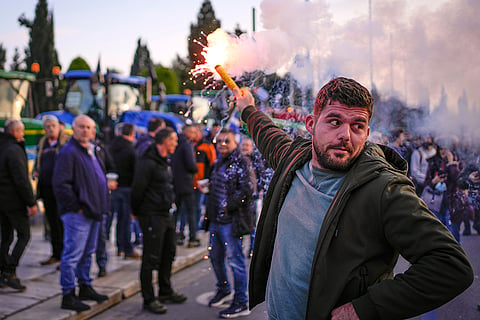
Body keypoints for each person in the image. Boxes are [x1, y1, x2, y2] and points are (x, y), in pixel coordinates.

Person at [233, 77, 473, 320]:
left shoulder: (384, 190)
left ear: (367, 132)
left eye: (357, 125)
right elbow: (267, 134)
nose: (345, 135)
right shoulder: (293, 159)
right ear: (311, 124)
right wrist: (247, 108)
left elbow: (451, 265)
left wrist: (364, 309)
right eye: (334, 122)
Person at [52, 115, 109, 312]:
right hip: (79, 213)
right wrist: (77, 206)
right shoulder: (69, 152)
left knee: (87, 253)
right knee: (72, 254)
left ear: (94, 131)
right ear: (74, 129)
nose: (85, 131)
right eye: (82, 127)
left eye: (89, 128)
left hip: (94, 211)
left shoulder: (91, 150)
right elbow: (60, 184)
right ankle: (68, 294)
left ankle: (85, 286)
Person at [131, 127, 187, 315]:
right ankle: (149, 299)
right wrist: (136, 212)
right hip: (152, 215)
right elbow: (137, 189)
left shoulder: (165, 161)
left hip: (167, 214)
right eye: (173, 140)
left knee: (168, 253)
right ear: (164, 141)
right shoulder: (147, 162)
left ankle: (165, 291)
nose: (176, 143)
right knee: (151, 258)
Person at [204, 128, 256, 318]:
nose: (222, 145)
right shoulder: (218, 162)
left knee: (236, 261)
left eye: (227, 141)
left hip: (232, 222)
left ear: (235, 143)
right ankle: (224, 289)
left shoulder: (242, 162)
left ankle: (241, 301)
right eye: (219, 142)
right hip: (216, 221)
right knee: (215, 258)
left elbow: (248, 190)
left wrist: (228, 205)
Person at [0, 119, 37, 291]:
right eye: (21, 132)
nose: (23, 135)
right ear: (15, 132)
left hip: (2, 201)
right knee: (24, 235)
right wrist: (31, 202)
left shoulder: (3, 146)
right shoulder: (14, 149)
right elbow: (21, 179)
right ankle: (9, 272)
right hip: (13, 201)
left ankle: (3, 272)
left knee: (5, 238)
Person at [33, 115, 70, 266]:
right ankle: (56, 254)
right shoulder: (43, 143)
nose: (50, 129)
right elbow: (38, 162)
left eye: (52, 126)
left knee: (63, 224)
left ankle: (66, 257)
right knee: (52, 224)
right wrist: (36, 171)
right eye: (47, 126)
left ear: (58, 126)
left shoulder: (65, 142)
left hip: (61, 189)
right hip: (47, 189)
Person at [106, 123, 140, 260]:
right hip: (127, 187)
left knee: (108, 219)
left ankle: (103, 248)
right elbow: (135, 170)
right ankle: (125, 248)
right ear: (132, 133)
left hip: (111, 186)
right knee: (124, 220)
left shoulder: (110, 146)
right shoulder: (131, 149)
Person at [172, 125, 199, 247]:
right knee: (191, 211)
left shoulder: (175, 142)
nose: (194, 135)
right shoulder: (187, 145)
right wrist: (195, 169)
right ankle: (192, 238)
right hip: (186, 183)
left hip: (175, 182)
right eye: (192, 132)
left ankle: (173, 236)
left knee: (175, 212)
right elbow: (191, 165)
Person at [239, 136, 266, 257]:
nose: (244, 148)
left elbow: (262, 176)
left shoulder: (256, 159)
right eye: (243, 145)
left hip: (252, 198)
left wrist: (257, 190)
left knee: (253, 224)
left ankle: (252, 248)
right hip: (240, 198)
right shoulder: (237, 160)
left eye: (247, 146)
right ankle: (240, 249)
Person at [192, 124, 217, 228]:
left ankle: (197, 227)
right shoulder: (189, 145)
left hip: (202, 182)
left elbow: (213, 162)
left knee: (198, 206)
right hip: (190, 181)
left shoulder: (207, 146)